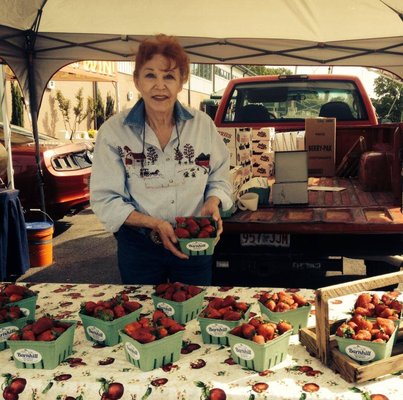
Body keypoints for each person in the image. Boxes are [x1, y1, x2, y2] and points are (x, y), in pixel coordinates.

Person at [90, 34, 233, 286]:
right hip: (139, 247)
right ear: (136, 81)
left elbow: (220, 175)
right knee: (142, 317)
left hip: (194, 242)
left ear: (181, 82)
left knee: (194, 309)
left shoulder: (202, 126)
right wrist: (153, 224)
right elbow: (105, 199)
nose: (159, 85)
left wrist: (213, 201)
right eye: (150, 75)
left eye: (168, 76)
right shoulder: (114, 131)